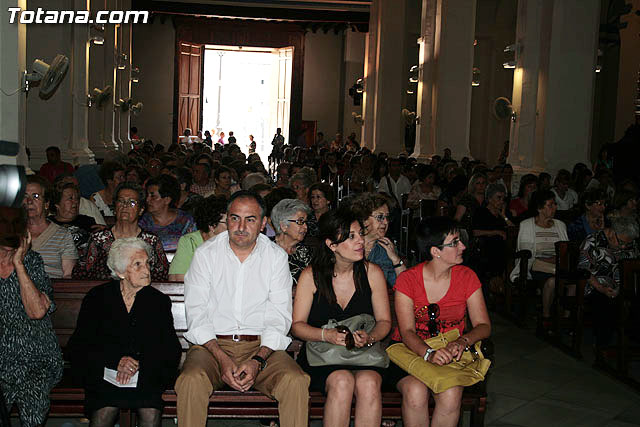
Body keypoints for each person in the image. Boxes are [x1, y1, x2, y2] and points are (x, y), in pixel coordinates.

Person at [175, 191, 310, 427]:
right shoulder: (206, 254)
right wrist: (222, 358)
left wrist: (257, 360)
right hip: (211, 347)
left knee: (295, 381)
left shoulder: (275, 257)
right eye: (235, 218)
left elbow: (278, 317)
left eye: (250, 219)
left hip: (260, 346)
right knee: (191, 380)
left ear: (263, 223)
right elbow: (197, 314)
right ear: (227, 219)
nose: (241, 227)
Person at [291, 207, 391, 427]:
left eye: (360, 234)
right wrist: (326, 335)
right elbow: (297, 326)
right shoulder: (311, 275)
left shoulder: (372, 273)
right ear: (332, 245)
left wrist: (370, 337)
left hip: (364, 354)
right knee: (342, 380)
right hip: (323, 355)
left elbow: (384, 322)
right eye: (351, 236)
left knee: (369, 383)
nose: (360, 241)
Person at [387, 216, 491, 427]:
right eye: (454, 242)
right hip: (410, 350)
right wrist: (429, 353)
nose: (462, 246)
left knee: (451, 393)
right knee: (415, 391)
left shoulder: (467, 277)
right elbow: (407, 332)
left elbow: (484, 326)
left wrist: (462, 341)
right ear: (436, 251)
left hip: (452, 351)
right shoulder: (408, 280)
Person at [67, 238, 182, 427]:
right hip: (105, 372)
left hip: (145, 374)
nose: (146, 270)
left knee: (150, 410)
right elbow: (80, 344)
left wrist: (139, 364)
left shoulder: (158, 302)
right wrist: (116, 361)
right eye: (137, 265)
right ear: (120, 272)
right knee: (104, 409)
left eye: (147, 263)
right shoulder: (97, 298)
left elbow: (169, 348)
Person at [0, 208, 64, 427]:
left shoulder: (33, 262)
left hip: (35, 360)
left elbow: (36, 312)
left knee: (33, 412)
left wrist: (19, 264)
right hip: (2, 361)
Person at [73, 182, 169, 281]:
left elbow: (162, 276)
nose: (125, 206)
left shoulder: (151, 241)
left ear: (141, 210)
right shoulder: (99, 239)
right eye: (121, 201)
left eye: (132, 202)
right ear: (115, 207)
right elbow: (81, 274)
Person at [578, 216, 639, 349]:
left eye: (627, 244)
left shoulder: (631, 243)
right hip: (596, 287)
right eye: (621, 242)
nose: (623, 246)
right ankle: (602, 346)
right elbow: (584, 270)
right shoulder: (593, 241)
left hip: (624, 287)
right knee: (605, 303)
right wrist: (601, 288)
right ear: (612, 232)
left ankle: (631, 343)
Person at [510, 191, 568, 328]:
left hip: (558, 264)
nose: (555, 207)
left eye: (555, 204)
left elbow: (566, 248)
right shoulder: (527, 225)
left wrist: (558, 258)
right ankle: (546, 316)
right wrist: (551, 260)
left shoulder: (560, 225)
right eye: (550, 205)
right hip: (536, 265)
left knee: (571, 280)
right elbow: (526, 252)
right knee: (552, 281)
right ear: (540, 208)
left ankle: (565, 316)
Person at [23, 175, 78, 278]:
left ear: (46, 204)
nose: (29, 201)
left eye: (36, 196)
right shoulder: (10, 233)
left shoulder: (63, 236)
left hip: (52, 286)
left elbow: (68, 276)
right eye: (24, 196)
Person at [351, 192, 407, 287]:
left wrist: (396, 259)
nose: (386, 222)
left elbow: (406, 285)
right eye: (380, 217)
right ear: (364, 219)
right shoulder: (348, 244)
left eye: (387, 217)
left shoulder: (385, 249)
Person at [168, 196, 227, 281]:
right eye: (227, 222)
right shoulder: (190, 241)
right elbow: (177, 278)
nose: (234, 226)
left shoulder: (235, 242)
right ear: (212, 226)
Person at [471, 183, 514, 291]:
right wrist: (495, 232)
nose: (501, 201)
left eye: (503, 198)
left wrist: (503, 215)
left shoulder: (504, 214)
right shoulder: (481, 212)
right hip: (486, 248)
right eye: (498, 198)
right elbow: (475, 232)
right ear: (490, 199)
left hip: (503, 248)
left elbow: (513, 230)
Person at [138, 175, 197, 252]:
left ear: (167, 200)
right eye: (147, 195)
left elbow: (194, 248)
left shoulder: (185, 221)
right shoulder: (142, 221)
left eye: (153, 196)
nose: (147, 200)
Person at [49, 183, 98, 260]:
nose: (75, 202)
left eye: (77, 198)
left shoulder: (87, 221)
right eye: (70, 198)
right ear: (57, 204)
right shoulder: (48, 223)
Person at [271, 199, 313, 286]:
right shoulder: (266, 249)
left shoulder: (306, 252)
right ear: (283, 226)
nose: (305, 226)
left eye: (305, 222)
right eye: (300, 222)